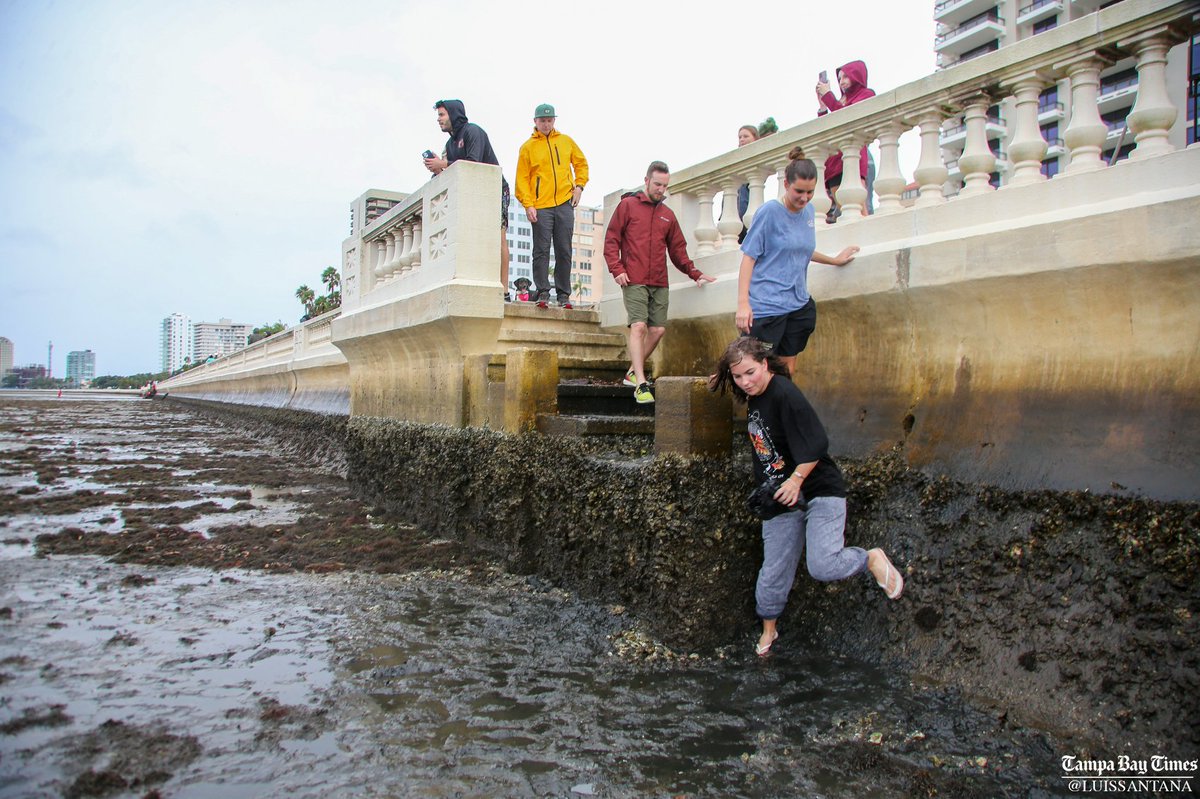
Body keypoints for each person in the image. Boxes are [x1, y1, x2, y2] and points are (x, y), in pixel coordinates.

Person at [710, 336, 904, 657]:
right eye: (738, 376)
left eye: (750, 373)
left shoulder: (785, 394)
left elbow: (816, 442)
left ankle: (869, 558)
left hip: (818, 489)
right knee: (773, 570)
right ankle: (769, 630)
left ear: (764, 364)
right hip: (780, 496)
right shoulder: (754, 395)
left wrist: (797, 479)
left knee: (824, 566)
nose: (745, 382)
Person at [735, 149, 860, 373]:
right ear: (786, 185)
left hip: (798, 304)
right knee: (758, 371)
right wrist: (743, 304)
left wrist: (834, 260)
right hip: (767, 308)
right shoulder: (769, 212)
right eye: (799, 191)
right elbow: (749, 257)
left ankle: (782, 408)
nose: (804, 198)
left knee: (787, 369)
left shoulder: (809, 211)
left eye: (810, 192)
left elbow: (800, 250)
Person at [604, 161, 715, 404]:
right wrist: (617, 269)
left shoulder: (668, 215)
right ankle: (641, 384)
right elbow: (611, 240)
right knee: (639, 327)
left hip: (659, 280)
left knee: (658, 330)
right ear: (646, 181)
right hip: (633, 278)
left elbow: (678, 251)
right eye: (657, 184)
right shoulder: (628, 206)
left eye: (664, 186)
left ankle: (633, 372)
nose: (660, 190)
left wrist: (695, 273)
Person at [424, 100, 511, 299]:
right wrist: (440, 169)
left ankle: (504, 291)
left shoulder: (473, 132)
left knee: (499, 238)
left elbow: (474, 162)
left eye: (442, 115)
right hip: (470, 195)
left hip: (494, 190)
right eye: (438, 116)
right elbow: (454, 171)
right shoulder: (450, 144)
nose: (439, 120)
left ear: (453, 114)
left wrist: (444, 163)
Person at [515, 103, 589, 309]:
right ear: (535, 122)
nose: (546, 124)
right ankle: (543, 292)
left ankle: (564, 294)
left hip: (565, 202)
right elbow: (522, 179)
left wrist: (580, 186)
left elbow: (581, 164)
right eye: (542, 121)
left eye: (549, 120)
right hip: (541, 206)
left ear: (554, 121)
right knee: (541, 250)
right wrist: (528, 204)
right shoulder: (527, 148)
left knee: (564, 249)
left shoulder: (566, 142)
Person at [816, 60, 876, 223]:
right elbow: (829, 126)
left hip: (853, 157)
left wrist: (829, 97)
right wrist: (823, 106)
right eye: (840, 78)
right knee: (845, 210)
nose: (841, 81)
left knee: (858, 207)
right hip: (834, 163)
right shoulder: (840, 100)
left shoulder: (865, 94)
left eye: (845, 77)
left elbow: (849, 118)